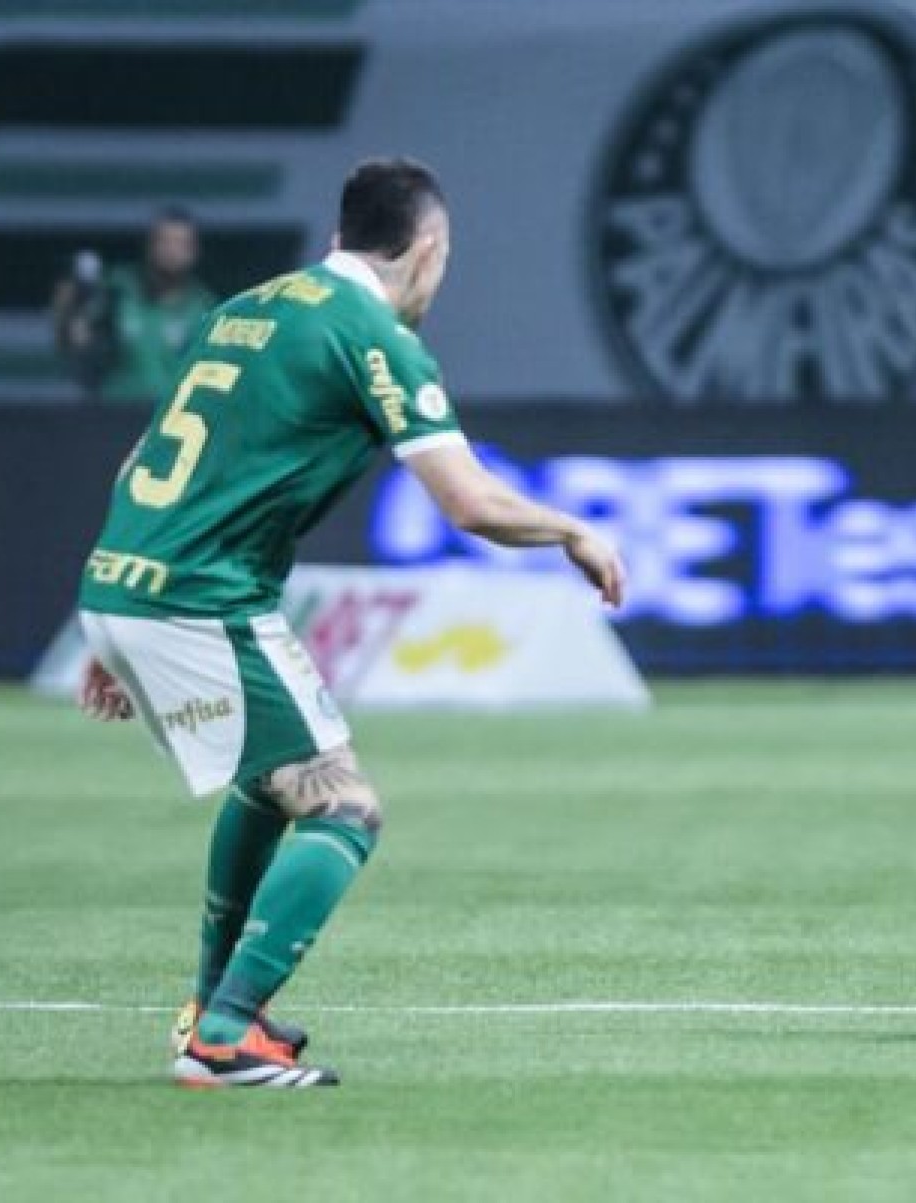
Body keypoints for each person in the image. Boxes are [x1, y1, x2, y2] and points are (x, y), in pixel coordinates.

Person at [75, 158, 625, 1087]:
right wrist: (570, 527)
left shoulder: (243, 309)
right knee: (343, 806)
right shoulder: (372, 334)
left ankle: (210, 1011)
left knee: (268, 781)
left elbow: (140, 459)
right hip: (202, 597)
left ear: (338, 236)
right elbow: (468, 502)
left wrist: (106, 618)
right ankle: (225, 1036)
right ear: (429, 247)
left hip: (131, 581)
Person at [52, 206, 217, 403]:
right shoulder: (116, 289)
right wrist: (68, 313)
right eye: (163, 241)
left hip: (170, 420)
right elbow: (76, 339)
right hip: (113, 411)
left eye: (181, 244)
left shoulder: (207, 308)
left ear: (195, 252)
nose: (171, 251)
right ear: (149, 245)